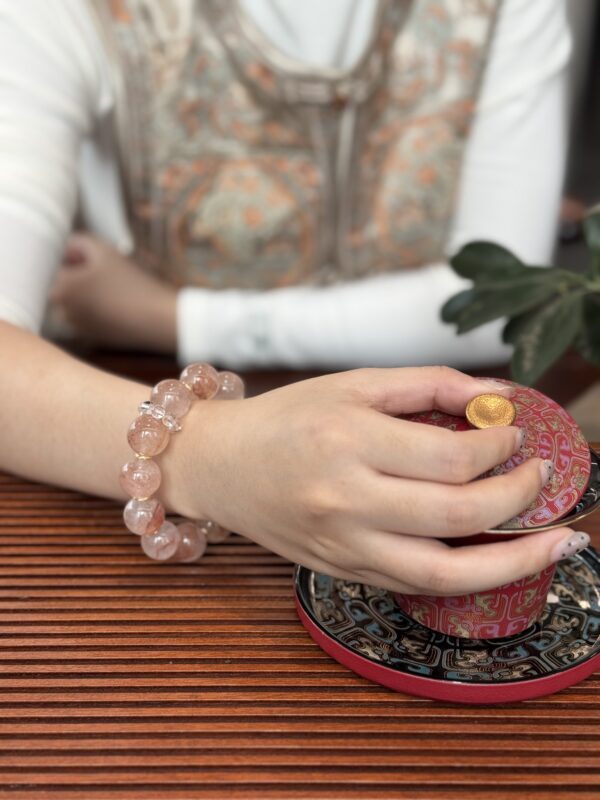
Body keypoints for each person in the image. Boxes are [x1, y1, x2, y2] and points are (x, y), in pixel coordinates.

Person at [0, 0, 589, 593]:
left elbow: (495, 302)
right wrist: (212, 456)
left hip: (433, 450)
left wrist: (172, 317)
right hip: (121, 443)